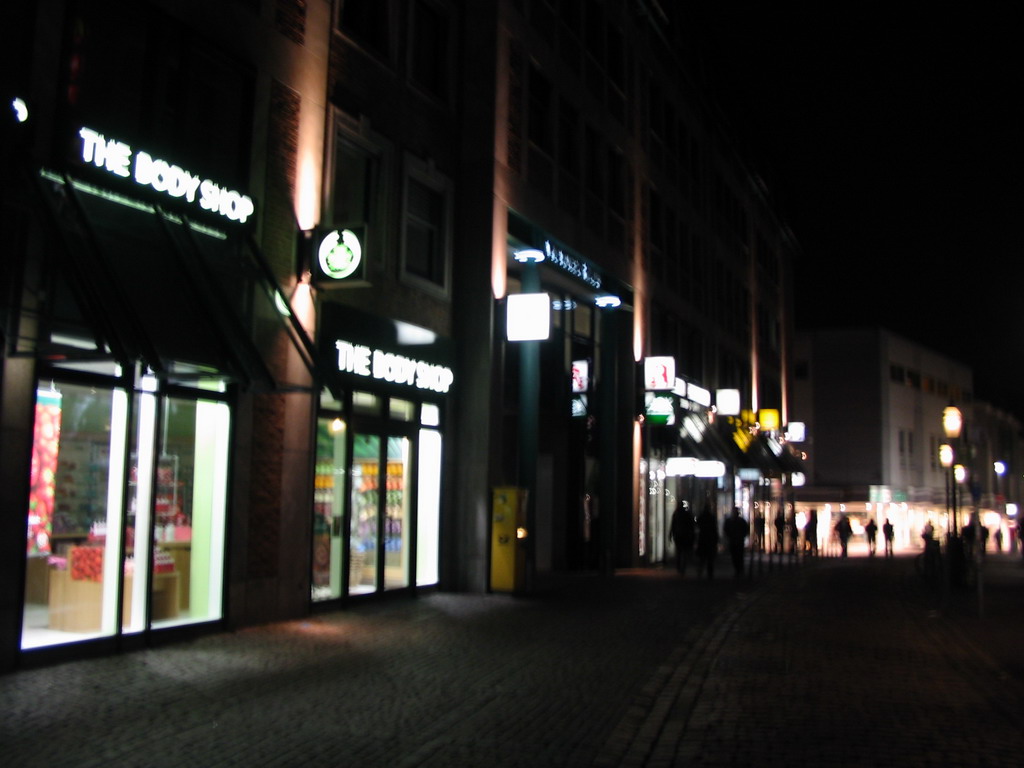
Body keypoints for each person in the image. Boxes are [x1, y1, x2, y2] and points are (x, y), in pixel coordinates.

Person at [668, 501, 696, 576]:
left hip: (678, 535)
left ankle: (679, 566)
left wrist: (671, 534)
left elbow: (673, 525)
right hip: (685, 535)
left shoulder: (676, 514)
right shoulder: (687, 514)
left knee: (679, 551)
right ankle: (682, 566)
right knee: (684, 551)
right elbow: (691, 525)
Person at [723, 507, 749, 578]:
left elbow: (726, 529)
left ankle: (738, 570)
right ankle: (739, 570)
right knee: (737, 556)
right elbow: (746, 530)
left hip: (736, 541)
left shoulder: (732, 521)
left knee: (737, 556)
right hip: (737, 541)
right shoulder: (740, 521)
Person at [695, 506, 719, 580]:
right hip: (710, 540)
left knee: (702, 559)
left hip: (703, 540)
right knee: (710, 559)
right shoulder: (711, 518)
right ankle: (710, 573)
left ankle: (700, 572)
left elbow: (697, 525)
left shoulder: (701, 517)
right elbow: (715, 529)